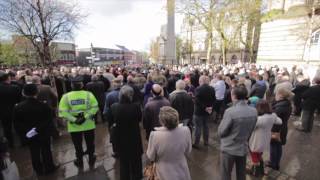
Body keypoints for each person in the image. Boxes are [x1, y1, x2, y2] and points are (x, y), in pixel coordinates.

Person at [13, 84, 58, 175]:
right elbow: (49, 120)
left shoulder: (18, 107)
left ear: (24, 93)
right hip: (43, 132)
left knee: (34, 151)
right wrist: (38, 129)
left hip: (29, 134)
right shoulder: (44, 105)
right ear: (37, 93)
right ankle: (49, 167)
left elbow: (16, 123)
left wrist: (27, 132)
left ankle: (38, 169)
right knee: (46, 150)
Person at [218, 85, 257, 180]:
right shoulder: (254, 111)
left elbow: (221, 132)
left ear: (234, 96)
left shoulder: (230, 112)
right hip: (243, 147)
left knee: (226, 174)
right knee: (241, 174)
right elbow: (252, 129)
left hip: (229, 148)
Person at [58, 77, 99, 168]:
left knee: (77, 144)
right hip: (88, 124)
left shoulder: (66, 96)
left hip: (74, 126)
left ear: (71, 85)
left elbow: (62, 112)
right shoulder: (89, 94)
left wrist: (74, 120)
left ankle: (79, 161)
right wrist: (85, 117)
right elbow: (95, 107)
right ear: (82, 85)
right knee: (90, 142)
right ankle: (91, 157)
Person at [146, 106, 192, 180]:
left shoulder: (155, 135)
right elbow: (188, 151)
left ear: (162, 121)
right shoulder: (186, 130)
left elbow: (151, 156)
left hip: (163, 172)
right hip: (182, 169)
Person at [108, 86, 143, 180]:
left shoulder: (114, 107)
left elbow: (110, 122)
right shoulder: (136, 106)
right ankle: (137, 177)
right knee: (136, 161)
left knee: (124, 163)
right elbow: (139, 119)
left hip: (121, 138)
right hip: (134, 136)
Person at [248, 100, 282, 177]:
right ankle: (261, 170)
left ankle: (256, 173)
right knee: (259, 154)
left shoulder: (259, 119)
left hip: (256, 140)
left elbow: (251, 128)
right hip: (266, 139)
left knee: (254, 155)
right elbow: (280, 121)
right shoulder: (273, 115)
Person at [268, 88, 293, 170]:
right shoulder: (286, 104)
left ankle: (273, 164)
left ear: (281, 96)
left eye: (276, 94)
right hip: (282, 128)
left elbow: (273, 117)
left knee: (274, 146)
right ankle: (276, 163)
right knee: (278, 146)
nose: (275, 96)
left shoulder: (280, 107)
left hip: (277, 130)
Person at [193, 75, 216, 148]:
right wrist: (210, 107)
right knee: (206, 127)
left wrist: (205, 107)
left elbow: (197, 101)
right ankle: (206, 141)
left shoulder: (198, 89)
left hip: (199, 112)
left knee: (198, 127)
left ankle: (196, 143)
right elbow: (214, 99)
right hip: (208, 111)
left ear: (201, 81)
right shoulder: (212, 89)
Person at [0, 71, 21, 147]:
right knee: (18, 125)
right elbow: (20, 100)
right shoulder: (15, 87)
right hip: (15, 109)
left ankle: (10, 143)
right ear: (8, 78)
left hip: (3, 112)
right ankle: (22, 141)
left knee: (6, 128)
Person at [103, 78, 122, 158]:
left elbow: (106, 110)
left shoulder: (109, 95)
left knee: (114, 135)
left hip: (113, 118)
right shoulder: (125, 92)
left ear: (113, 85)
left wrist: (107, 117)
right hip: (124, 117)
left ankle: (116, 151)